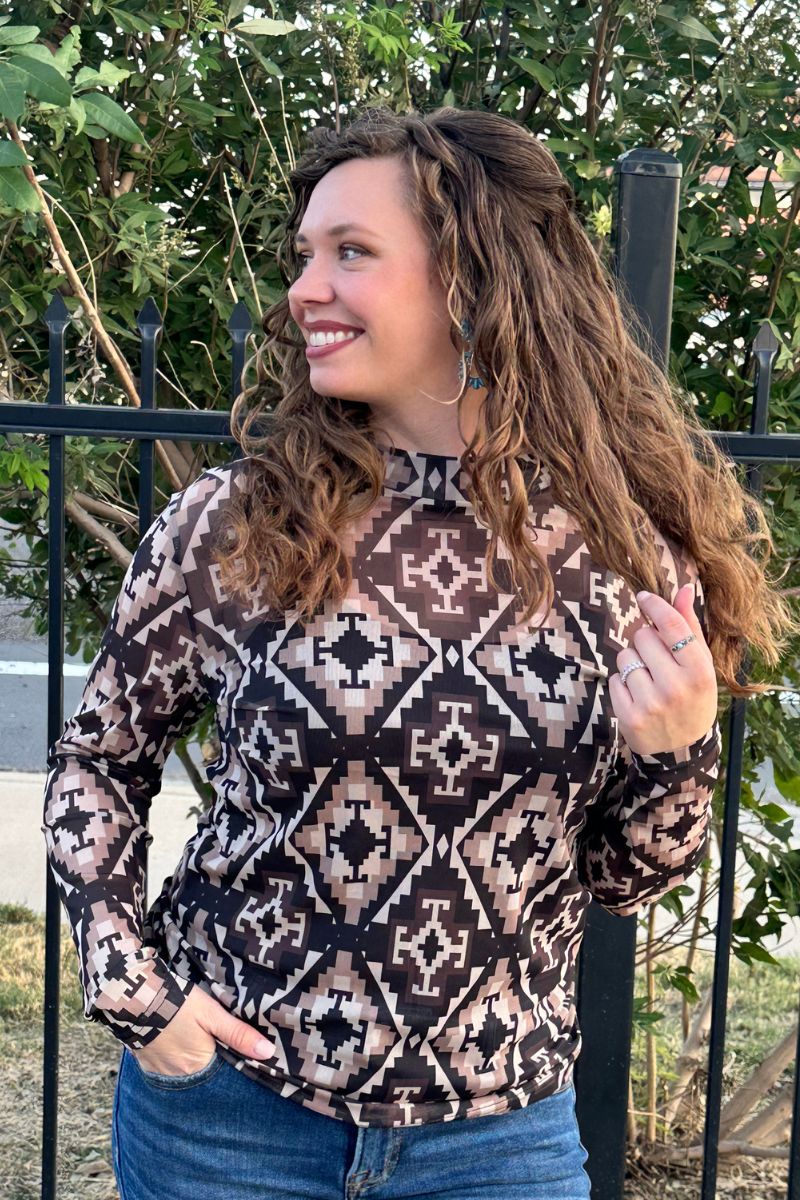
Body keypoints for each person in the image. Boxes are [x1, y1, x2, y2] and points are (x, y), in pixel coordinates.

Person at [41, 105, 794, 1200]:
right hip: (232, 1125)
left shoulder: (619, 550)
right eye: (305, 254)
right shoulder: (233, 524)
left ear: (474, 282)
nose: (304, 288)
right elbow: (97, 764)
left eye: (351, 252)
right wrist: (135, 994)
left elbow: (623, 878)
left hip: (500, 1143)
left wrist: (677, 751)